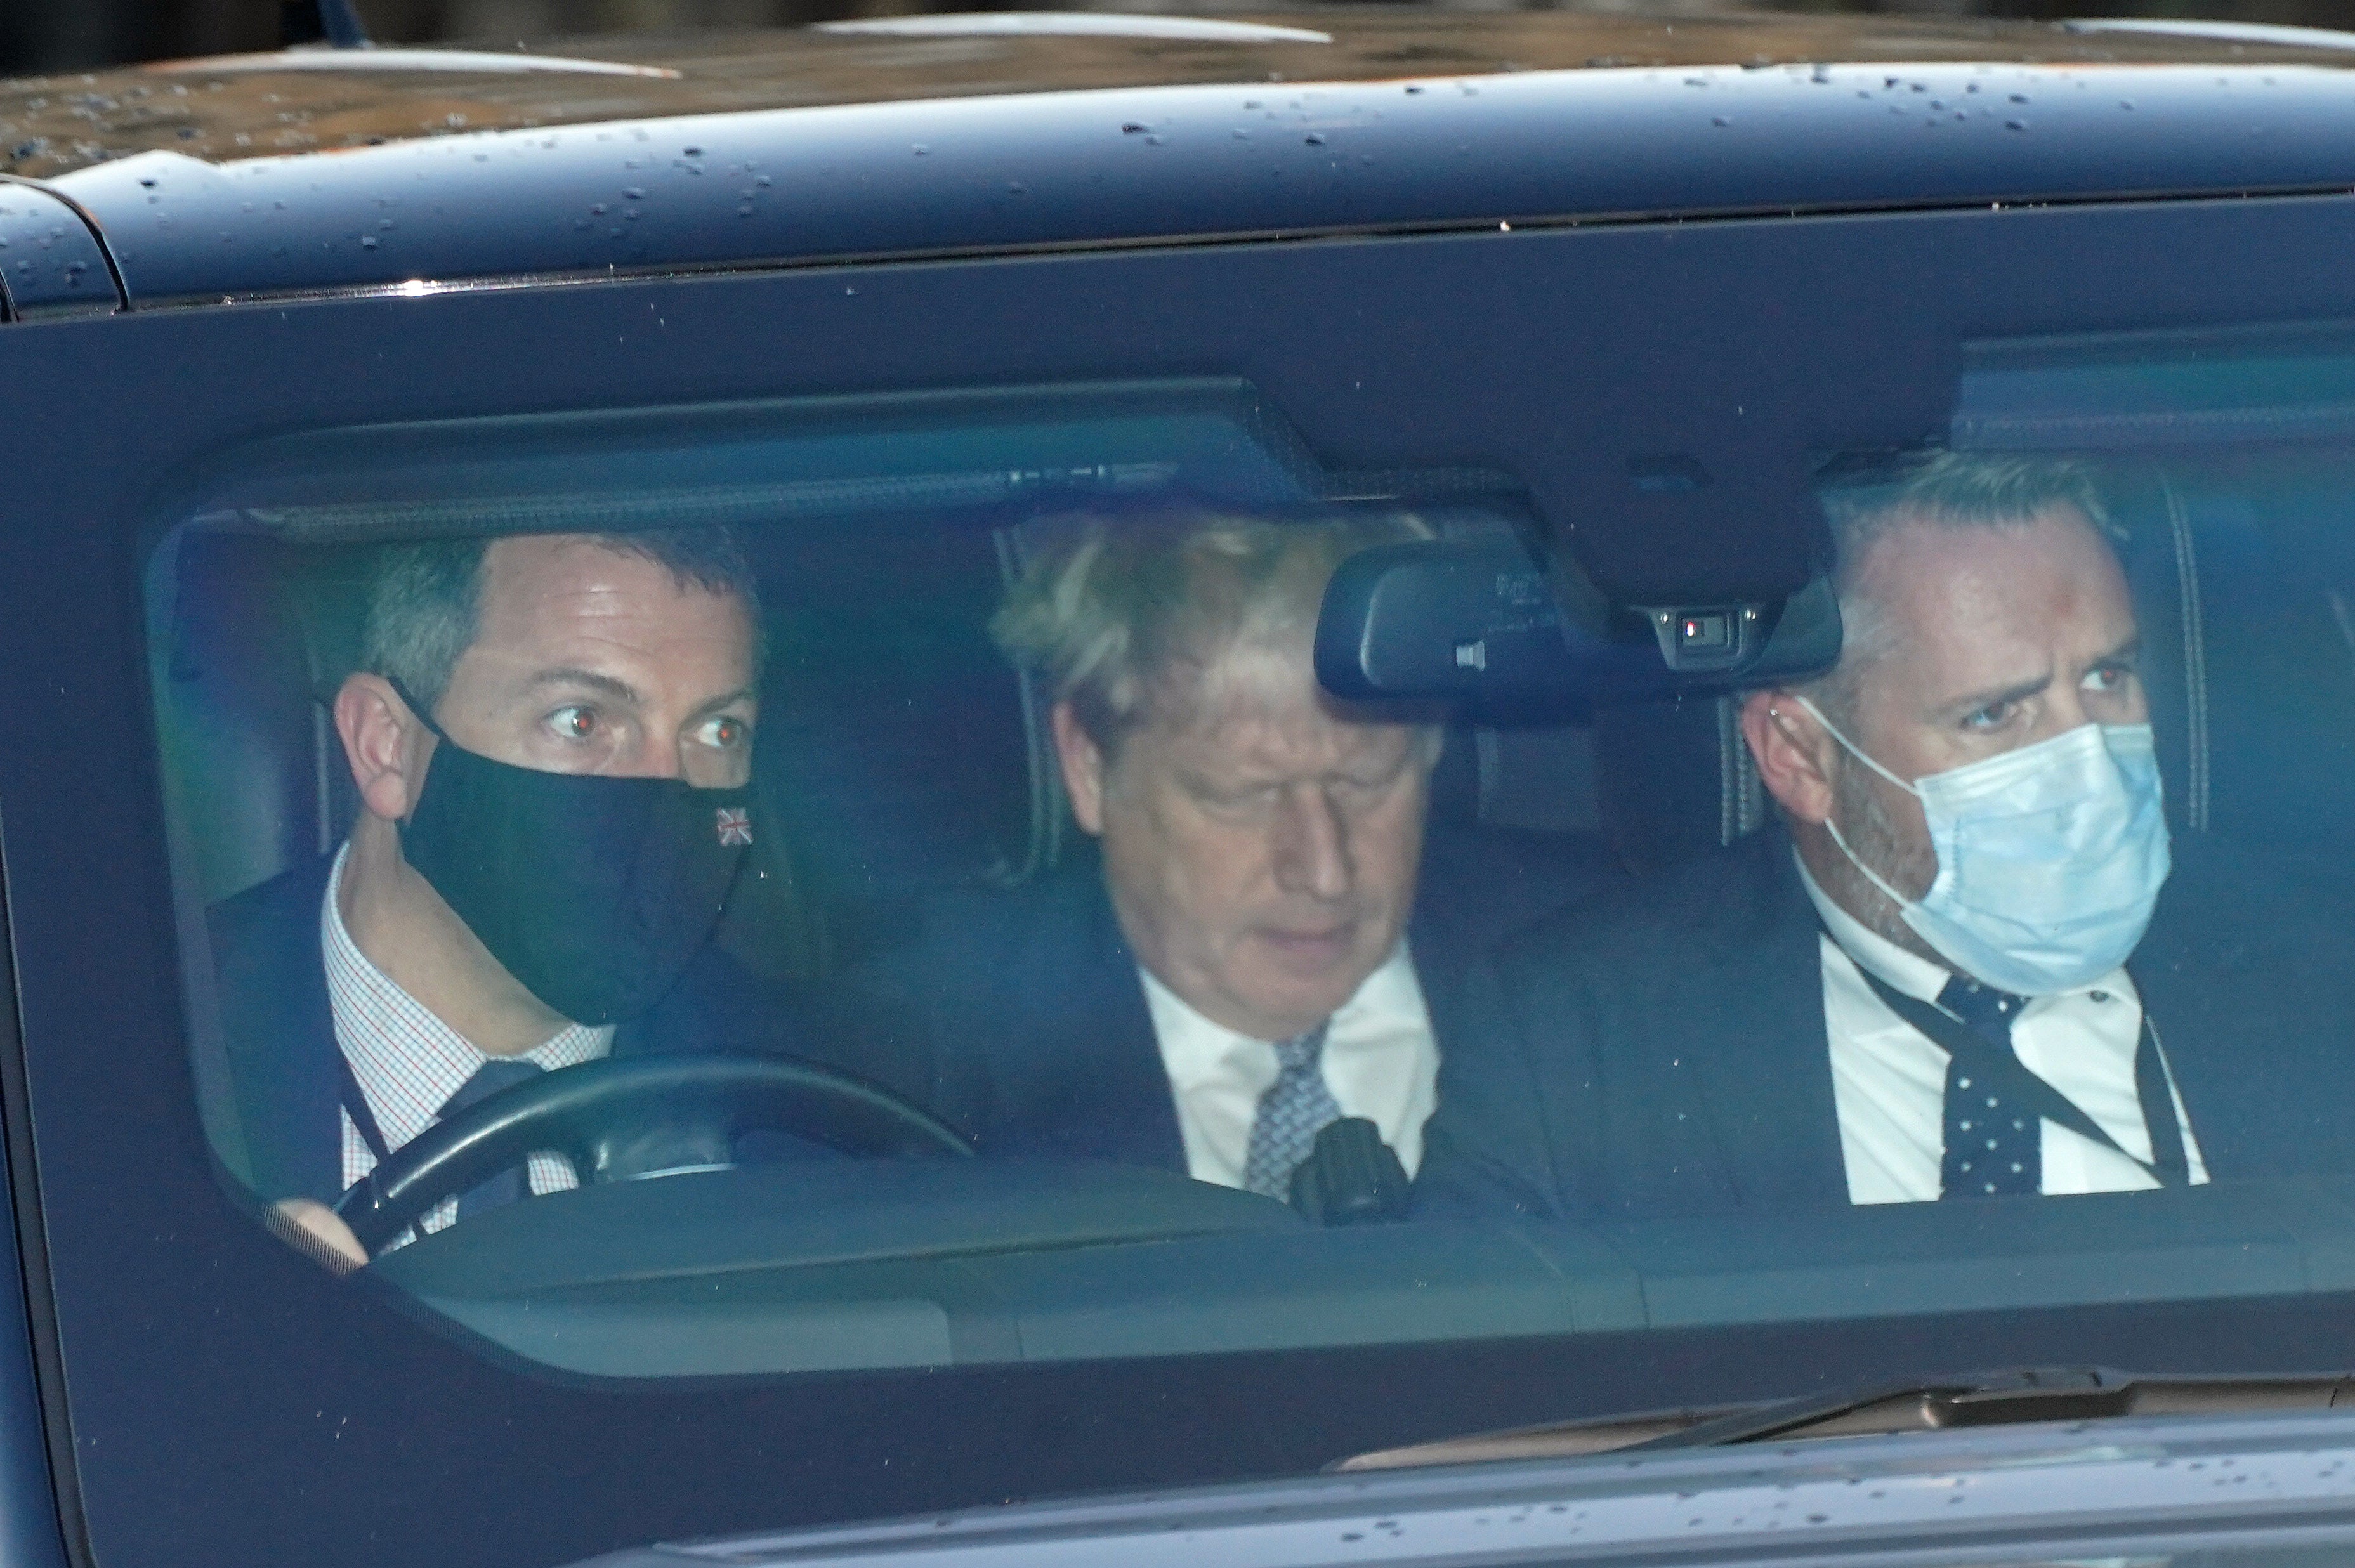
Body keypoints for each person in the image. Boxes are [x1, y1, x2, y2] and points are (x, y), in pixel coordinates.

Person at [1417, 454, 2355, 1220]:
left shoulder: (2331, 964)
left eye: (2107, 680)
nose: (2091, 772)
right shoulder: (1580, 1039)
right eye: (1995, 716)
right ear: (1799, 755)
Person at [832, 507, 1611, 1203]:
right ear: (1088, 765)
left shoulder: (1602, 973)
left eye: (1365, 779)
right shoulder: (910, 1066)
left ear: (1434, 742)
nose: (1322, 870)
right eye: (1239, 795)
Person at [211, 528, 794, 1267]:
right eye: (581, 720)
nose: (665, 789)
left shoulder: (805, 1102)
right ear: (386, 745)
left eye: (718, 730)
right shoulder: (120, 1059)